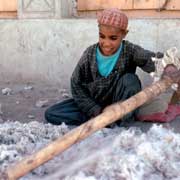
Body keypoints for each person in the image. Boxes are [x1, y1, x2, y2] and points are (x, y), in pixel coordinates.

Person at [45, 8, 179, 126]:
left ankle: (119, 119)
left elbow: (151, 60)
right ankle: (103, 120)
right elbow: (76, 84)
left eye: (113, 38)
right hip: (95, 103)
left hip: (120, 103)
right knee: (52, 113)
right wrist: (95, 110)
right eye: (102, 36)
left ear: (124, 35)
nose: (106, 43)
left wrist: (167, 67)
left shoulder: (129, 50)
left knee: (130, 80)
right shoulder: (89, 54)